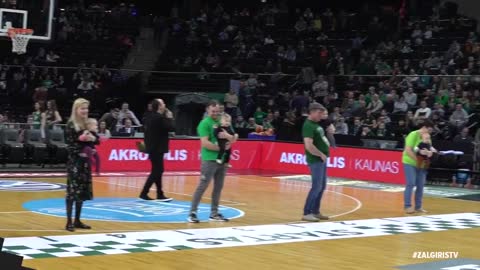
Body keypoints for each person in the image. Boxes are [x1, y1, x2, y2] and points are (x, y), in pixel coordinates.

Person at [188, 100, 238, 223]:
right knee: (203, 186)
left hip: (222, 160)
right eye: (213, 111)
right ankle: (192, 213)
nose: (215, 113)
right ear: (207, 110)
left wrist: (228, 137)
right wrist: (221, 148)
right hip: (209, 159)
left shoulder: (223, 121)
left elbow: (234, 138)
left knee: (218, 187)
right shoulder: (204, 123)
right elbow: (205, 143)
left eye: (217, 111)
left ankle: (214, 213)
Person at [65, 98, 97, 232]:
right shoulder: (71, 125)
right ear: (76, 109)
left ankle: (78, 220)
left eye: (86, 108)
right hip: (75, 163)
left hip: (85, 163)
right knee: (72, 192)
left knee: (81, 192)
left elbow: (94, 140)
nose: (85, 111)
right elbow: (70, 145)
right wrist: (81, 150)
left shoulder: (87, 124)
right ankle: (69, 222)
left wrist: (92, 144)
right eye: (82, 108)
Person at [140, 99, 175, 201]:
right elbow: (171, 127)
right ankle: (144, 193)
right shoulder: (159, 118)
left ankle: (159, 194)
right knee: (158, 171)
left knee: (157, 171)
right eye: (163, 103)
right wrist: (170, 117)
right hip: (157, 148)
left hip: (152, 147)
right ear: (160, 106)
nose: (165, 104)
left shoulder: (150, 116)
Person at [302, 103, 330, 222]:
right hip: (316, 160)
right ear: (312, 112)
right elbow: (309, 145)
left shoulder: (315, 124)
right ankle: (307, 212)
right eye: (319, 113)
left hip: (321, 159)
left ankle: (315, 211)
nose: (321, 115)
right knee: (316, 186)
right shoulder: (308, 125)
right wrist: (320, 154)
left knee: (321, 186)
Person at [402, 120, 436, 214]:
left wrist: (430, 153)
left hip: (422, 164)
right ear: (424, 127)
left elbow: (430, 149)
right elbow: (408, 150)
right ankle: (407, 206)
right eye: (429, 130)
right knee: (411, 183)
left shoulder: (428, 137)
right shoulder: (413, 134)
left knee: (420, 185)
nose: (429, 132)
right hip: (410, 162)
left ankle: (418, 206)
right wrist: (417, 160)